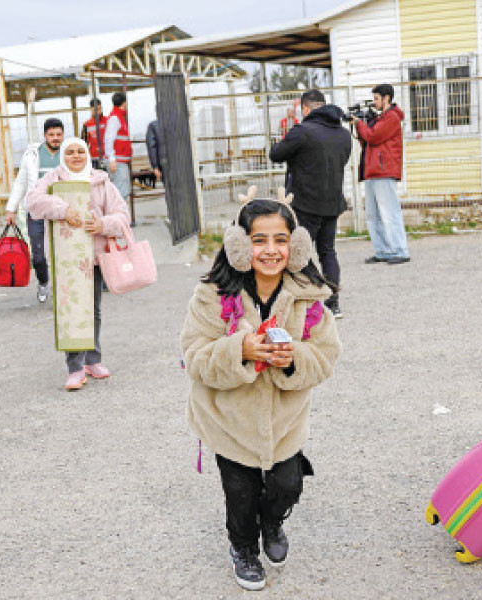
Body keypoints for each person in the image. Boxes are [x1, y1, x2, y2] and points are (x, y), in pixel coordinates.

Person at [180, 195, 341, 591]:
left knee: (288, 484)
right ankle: (243, 549)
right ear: (238, 245)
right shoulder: (214, 295)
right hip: (228, 420)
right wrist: (240, 350)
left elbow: (326, 357)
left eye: (281, 240)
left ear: (296, 245)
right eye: (259, 240)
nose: (271, 250)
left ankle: (272, 523)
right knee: (240, 494)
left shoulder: (310, 296)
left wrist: (292, 358)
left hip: (285, 422)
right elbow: (194, 356)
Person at [27, 138, 129, 391]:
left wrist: (103, 225)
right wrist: (62, 209)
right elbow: (33, 202)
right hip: (66, 258)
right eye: (70, 152)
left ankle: (93, 360)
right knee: (70, 309)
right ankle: (74, 367)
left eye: (80, 151)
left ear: (87, 154)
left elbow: (122, 214)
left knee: (92, 308)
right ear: (63, 155)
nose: (75, 156)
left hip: (93, 255)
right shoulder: (53, 179)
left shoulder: (100, 180)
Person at [269, 89, 351, 317]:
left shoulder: (302, 131)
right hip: (333, 202)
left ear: (305, 109)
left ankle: (314, 295)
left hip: (305, 203)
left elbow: (275, 154)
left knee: (299, 254)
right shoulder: (343, 134)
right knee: (328, 251)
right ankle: (333, 303)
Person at [4, 117, 64, 303]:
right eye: (51, 135)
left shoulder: (69, 153)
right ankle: (43, 282)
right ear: (45, 135)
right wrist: (11, 209)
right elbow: (21, 182)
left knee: (62, 253)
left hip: (61, 211)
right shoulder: (32, 155)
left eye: (59, 135)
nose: (55, 138)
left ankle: (64, 288)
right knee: (38, 256)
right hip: (36, 211)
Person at [351, 83, 409, 265]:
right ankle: (382, 250)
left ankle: (400, 250)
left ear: (386, 98)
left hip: (384, 171)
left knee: (389, 212)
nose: (374, 102)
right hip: (373, 170)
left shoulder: (391, 118)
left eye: (376, 98)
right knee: (373, 214)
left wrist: (360, 124)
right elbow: (368, 141)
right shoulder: (381, 118)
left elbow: (374, 136)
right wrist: (361, 126)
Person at [104, 92, 132, 201]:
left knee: (123, 190)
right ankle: (119, 216)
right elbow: (109, 139)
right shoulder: (115, 118)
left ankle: (121, 216)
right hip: (118, 162)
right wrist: (112, 159)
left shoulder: (118, 117)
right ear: (124, 103)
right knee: (122, 191)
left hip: (119, 162)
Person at [81, 99, 107, 170]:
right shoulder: (86, 124)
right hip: (94, 159)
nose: (98, 112)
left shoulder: (108, 121)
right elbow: (83, 142)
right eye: (95, 109)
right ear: (91, 110)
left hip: (107, 157)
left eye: (99, 109)